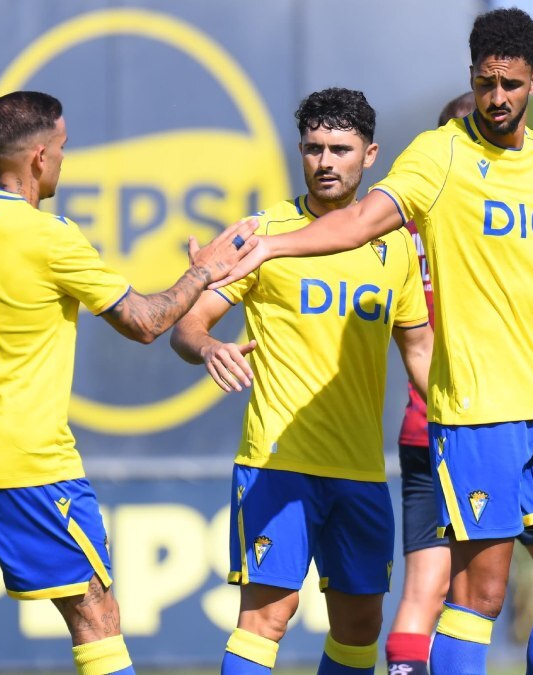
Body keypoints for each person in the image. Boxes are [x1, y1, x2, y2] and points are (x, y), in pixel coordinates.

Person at [210, 8, 533, 675]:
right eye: (485, 81)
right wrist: (271, 246)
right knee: (478, 594)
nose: (497, 98)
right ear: (471, 75)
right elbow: (357, 223)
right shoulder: (438, 154)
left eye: (511, 84)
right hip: (476, 411)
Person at [0, 90, 257, 675]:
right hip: (28, 466)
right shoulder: (48, 236)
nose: (65, 161)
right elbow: (146, 323)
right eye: (65, 148)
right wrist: (205, 271)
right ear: (40, 158)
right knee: (96, 617)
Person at [170, 88, 432, 675]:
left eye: (340, 148)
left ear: (370, 155)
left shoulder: (394, 245)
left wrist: (477, 406)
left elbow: (419, 350)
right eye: (314, 148)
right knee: (267, 617)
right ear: (300, 152)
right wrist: (208, 346)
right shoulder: (262, 234)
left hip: (361, 469)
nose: (325, 161)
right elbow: (186, 326)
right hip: (276, 461)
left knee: (361, 624)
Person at [385, 93, 533, 675]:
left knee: (434, 589)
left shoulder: (407, 233)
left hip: (455, 419)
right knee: (510, 586)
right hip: (471, 422)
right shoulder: (444, 228)